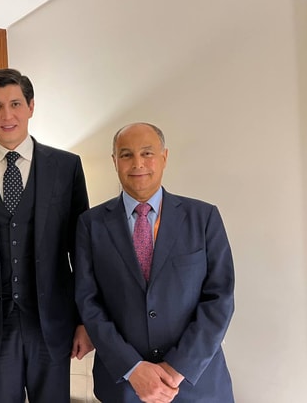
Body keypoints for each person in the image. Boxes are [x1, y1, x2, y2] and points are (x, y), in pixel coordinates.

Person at [0, 68, 94, 402]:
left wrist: (84, 321)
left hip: (51, 322)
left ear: (31, 106)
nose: (7, 115)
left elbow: (82, 253)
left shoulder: (66, 167)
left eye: (15, 104)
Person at [75, 122, 235, 403]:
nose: (137, 163)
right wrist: (133, 368)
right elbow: (89, 302)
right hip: (124, 387)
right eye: (126, 154)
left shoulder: (203, 218)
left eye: (147, 153)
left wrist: (176, 369)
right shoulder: (91, 224)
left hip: (196, 385)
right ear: (115, 161)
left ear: (164, 157)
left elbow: (219, 300)